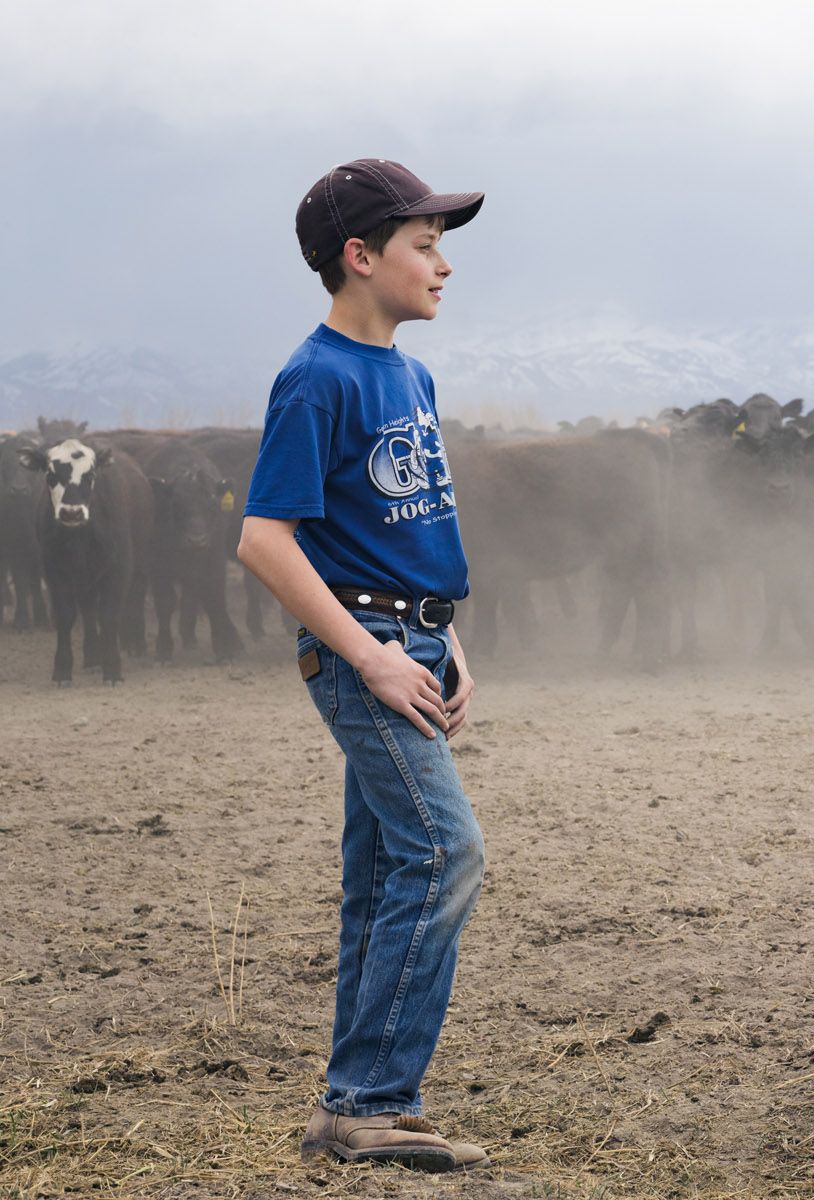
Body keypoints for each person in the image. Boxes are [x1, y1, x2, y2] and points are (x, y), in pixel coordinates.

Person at [237, 159, 490, 1169]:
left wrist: (445, 637)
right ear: (360, 255)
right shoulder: (317, 378)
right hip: (361, 653)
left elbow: (403, 526)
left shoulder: (410, 376)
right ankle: (372, 1101)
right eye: (424, 247)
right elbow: (264, 540)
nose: (443, 266)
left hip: (415, 639)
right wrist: (374, 658)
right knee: (445, 853)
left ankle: (349, 1104)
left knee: (384, 869)